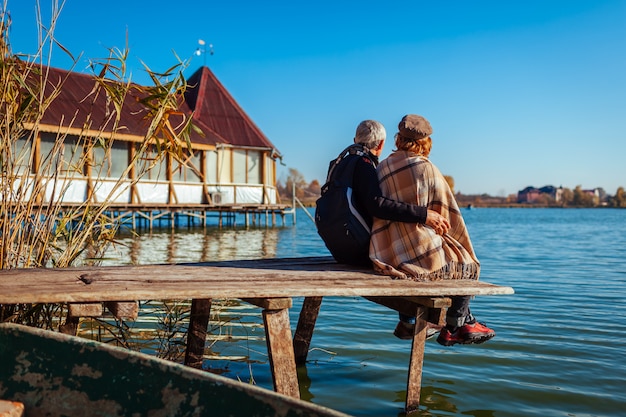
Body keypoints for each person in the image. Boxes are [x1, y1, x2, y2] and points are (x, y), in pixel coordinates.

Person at [369, 114, 495, 346]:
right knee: (464, 261)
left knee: (440, 257)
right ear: (425, 142)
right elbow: (449, 217)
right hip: (417, 251)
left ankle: (409, 320)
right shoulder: (426, 168)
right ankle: (458, 323)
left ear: (398, 139)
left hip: (386, 249)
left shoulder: (382, 167)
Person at [319, 119, 450, 339]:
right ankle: (421, 321)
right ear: (380, 144)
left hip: (339, 248)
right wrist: (423, 214)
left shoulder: (340, 162)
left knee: (398, 241)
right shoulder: (364, 165)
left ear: (355, 140)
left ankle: (409, 320)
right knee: (410, 249)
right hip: (359, 251)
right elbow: (377, 205)